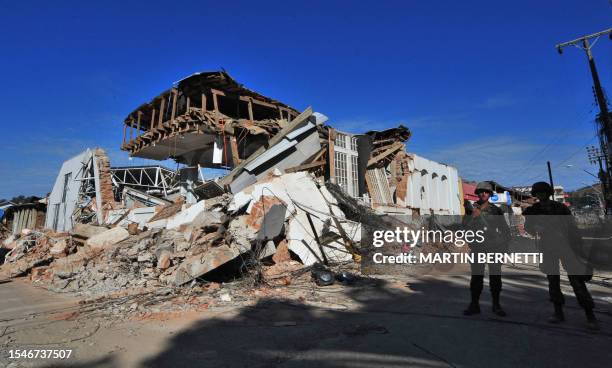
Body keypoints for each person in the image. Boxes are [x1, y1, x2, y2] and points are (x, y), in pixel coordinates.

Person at [523, 181, 598, 330]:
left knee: (577, 280)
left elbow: (573, 228)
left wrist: (579, 248)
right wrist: (535, 227)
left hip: (566, 247)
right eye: (538, 193)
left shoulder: (560, 207)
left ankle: (590, 314)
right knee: (553, 281)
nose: (541, 195)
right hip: (548, 248)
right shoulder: (534, 210)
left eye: (543, 192)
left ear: (548, 193)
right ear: (535, 195)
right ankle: (558, 312)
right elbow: (529, 228)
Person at [463, 182, 511, 317]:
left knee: (495, 278)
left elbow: (505, 232)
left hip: (493, 248)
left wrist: (503, 247)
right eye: (481, 192)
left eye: (486, 192)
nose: (483, 194)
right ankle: (474, 304)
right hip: (478, 248)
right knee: (476, 278)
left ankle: (496, 305)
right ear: (477, 193)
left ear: (490, 194)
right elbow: (464, 227)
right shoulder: (471, 209)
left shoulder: (496, 210)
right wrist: (472, 217)